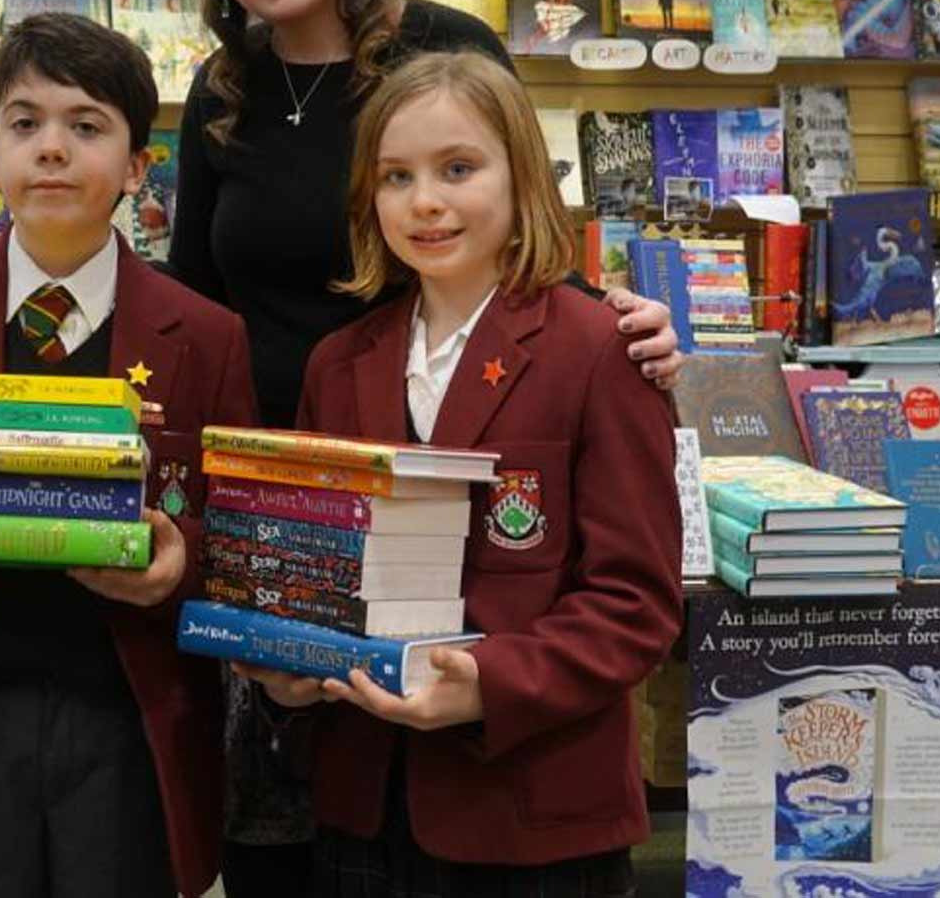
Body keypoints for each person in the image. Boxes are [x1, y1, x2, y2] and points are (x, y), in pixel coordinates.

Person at [169, 0, 683, 894]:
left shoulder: (444, 50)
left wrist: (615, 322)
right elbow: (192, 299)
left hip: (497, 569)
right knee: (290, 848)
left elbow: (625, 592)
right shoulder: (219, 96)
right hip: (293, 519)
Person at [0, 13, 260, 898]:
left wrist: (180, 564)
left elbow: (239, 534)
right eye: (25, 124)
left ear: (142, 168)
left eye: (87, 125)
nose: (52, 149)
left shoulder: (207, 336)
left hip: (132, 723)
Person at [242, 50, 682, 896]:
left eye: (458, 168)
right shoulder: (340, 365)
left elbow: (636, 603)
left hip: (534, 809)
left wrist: (489, 684)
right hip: (365, 803)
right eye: (396, 177)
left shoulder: (599, 351)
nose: (427, 201)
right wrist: (281, 669)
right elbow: (301, 571)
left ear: (521, 178)